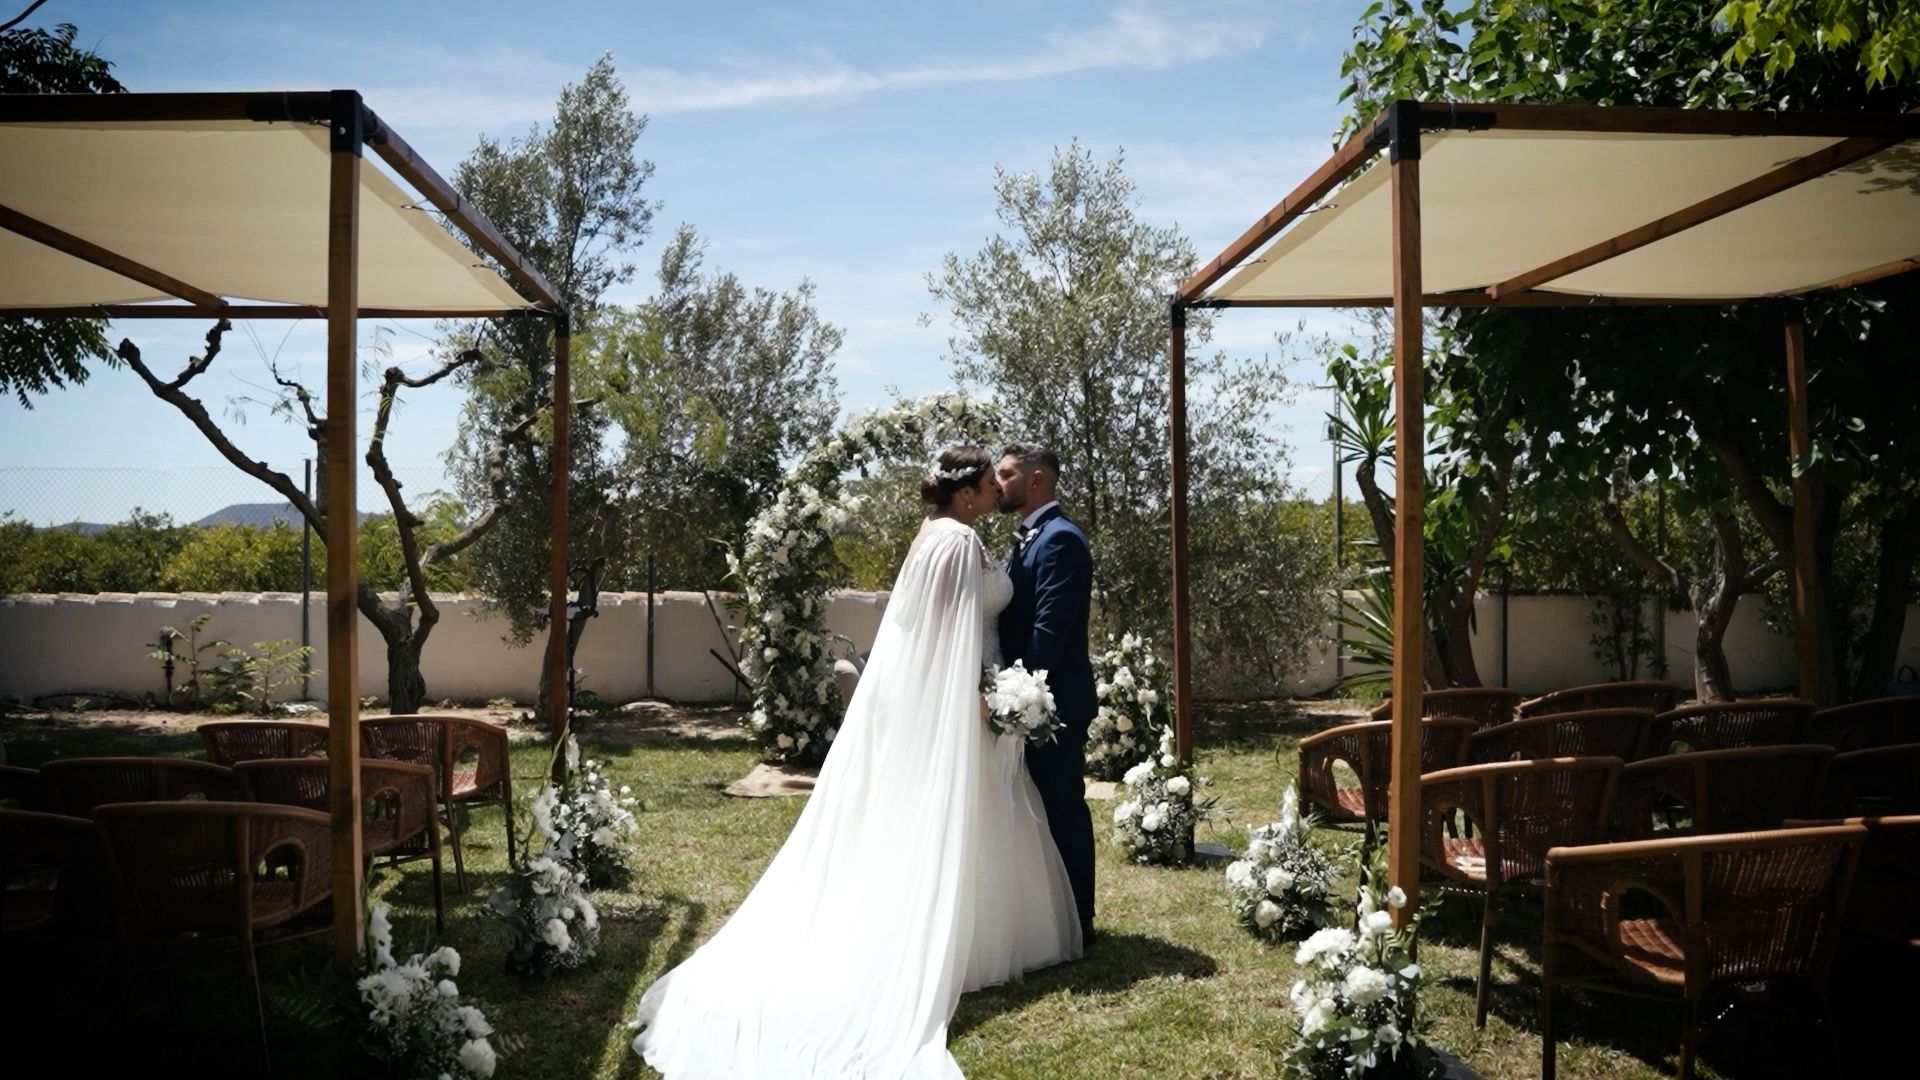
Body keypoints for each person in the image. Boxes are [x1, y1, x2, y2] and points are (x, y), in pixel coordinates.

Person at [630, 445, 1081, 1079]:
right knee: (962, 817)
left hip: (973, 692)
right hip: (968, 701)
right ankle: (955, 944)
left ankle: (975, 938)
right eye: (986, 481)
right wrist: (982, 698)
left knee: (971, 820)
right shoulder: (953, 541)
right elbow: (943, 637)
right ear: (967, 491)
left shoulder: (939, 533)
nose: (992, 491)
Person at [994, 443, 1097, 938]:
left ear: (1037, 480)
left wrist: (1012, 695)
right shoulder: (1029, 538)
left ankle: (1079, 917)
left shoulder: (1060, 540)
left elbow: (1047, 637)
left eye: (1007, 474)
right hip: (1028, 701)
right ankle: (1049, 917)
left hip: (1052, 704)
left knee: (1062, 806)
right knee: (1039, 810)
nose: (998, 483)